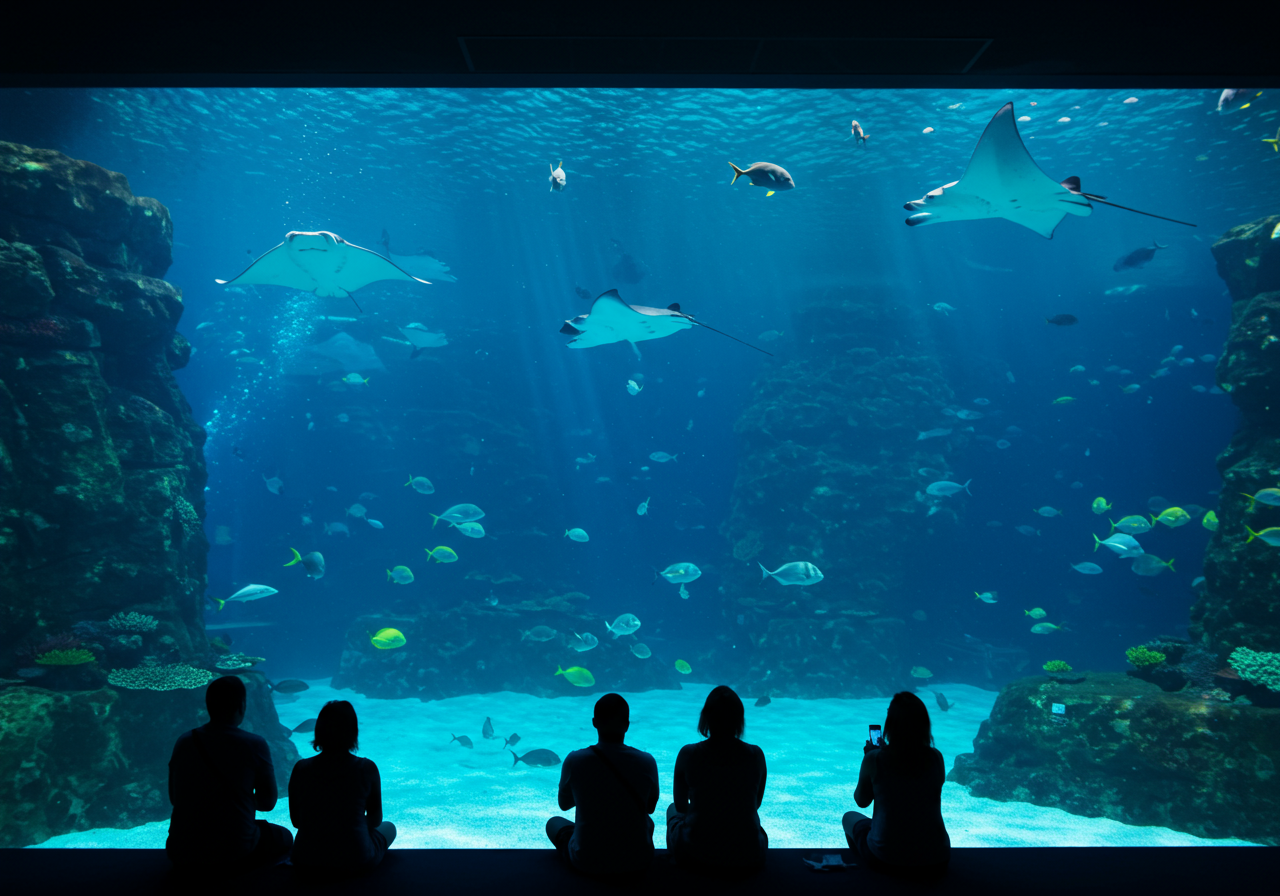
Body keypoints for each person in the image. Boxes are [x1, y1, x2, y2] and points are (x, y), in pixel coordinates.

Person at [166, 675, 292, 874]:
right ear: (242, 706)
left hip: (180, 849)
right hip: (235, 849)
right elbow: (267, 803)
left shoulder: (185, 741)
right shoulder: (254, 744)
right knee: (284, 836)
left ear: (208, 705)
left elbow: (174, 798)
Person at [546, 693, 659, 877]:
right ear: (627, 725)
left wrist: (590, 793)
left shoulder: (575, 759)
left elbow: (564, 805)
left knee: (553, 823)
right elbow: (650, 807)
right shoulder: (647, 761)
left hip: (587, 861)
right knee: (648, 822)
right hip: (639, 861)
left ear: (594, 722)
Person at [842, 691, 950, 874]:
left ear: (890, 723)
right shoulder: (936, 757)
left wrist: (870, 757)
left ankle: (869, 876)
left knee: (849, 817)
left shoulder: (875, 759)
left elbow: (861, 801)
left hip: (887, 859)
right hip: (937, 858)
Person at [667, 685, 768, 874]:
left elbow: (680, 806)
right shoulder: (756, 755)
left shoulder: (688, 754)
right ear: (739, 719)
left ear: (706, 717)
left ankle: (679, 863)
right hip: (749, 855)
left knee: (672, 809)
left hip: (696, 855)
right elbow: (756, 803)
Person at [288, 700, 396, 874]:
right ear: (353, 732)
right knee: (389, 827)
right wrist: (347, 824)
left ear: (318, 731)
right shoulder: (366, 768)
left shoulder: (301, 768)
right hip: (356, 859)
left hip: (305, 859)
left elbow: (296, 821)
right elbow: (375, 820)